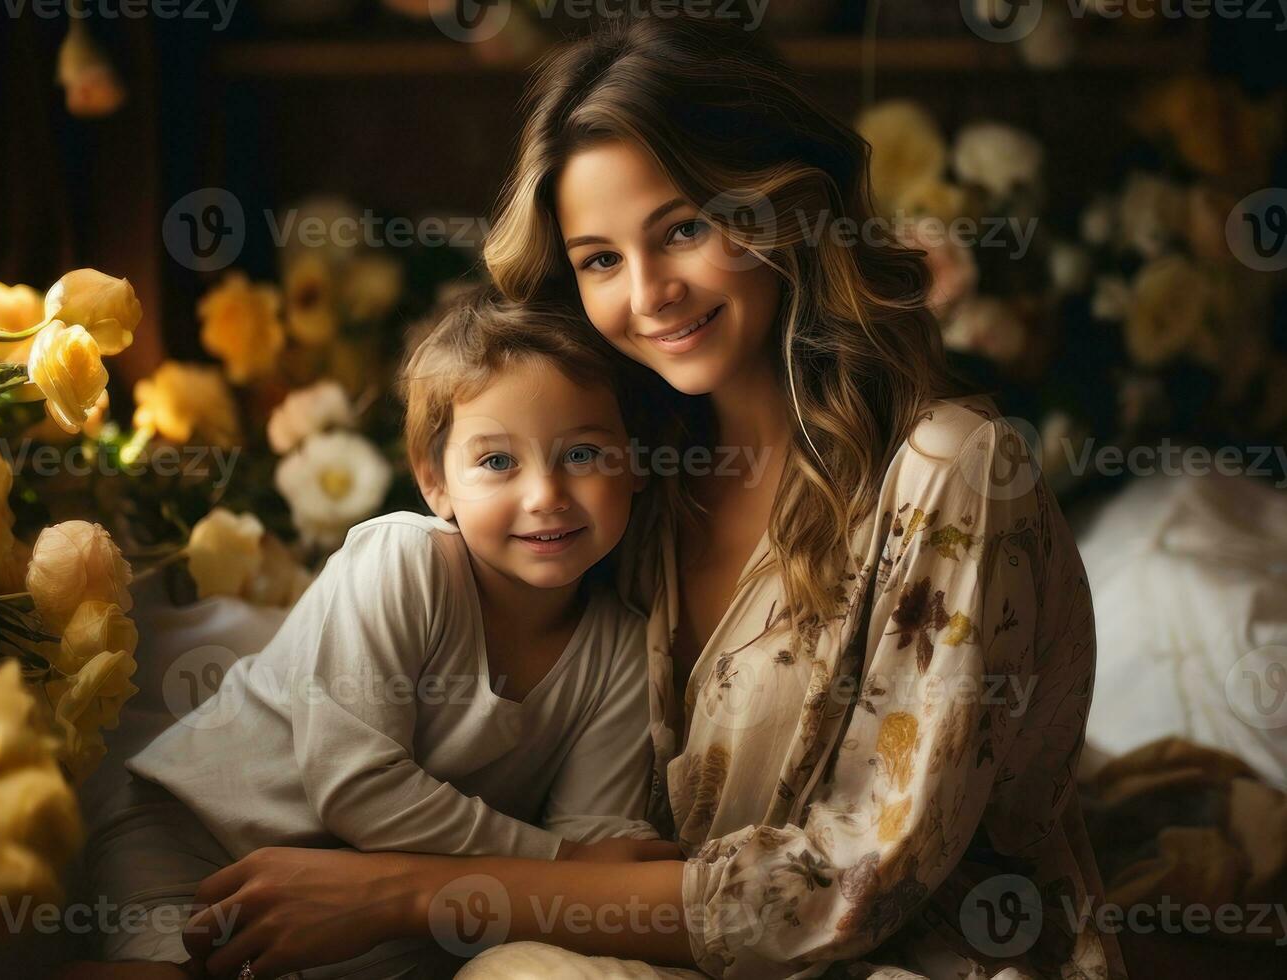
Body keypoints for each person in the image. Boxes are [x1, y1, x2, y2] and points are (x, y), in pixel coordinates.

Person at [175, 17, 1121, 980]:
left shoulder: (949, 469)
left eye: (683, 228)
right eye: (598, 259)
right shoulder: (618, 487)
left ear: (784, 210)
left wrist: (407, 890)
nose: (650, 292)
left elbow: (852, 885)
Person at [88, 286, 678, 977]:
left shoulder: (623, 652)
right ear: (435, 483)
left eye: (582, 455)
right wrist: (560, 862)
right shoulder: (405, 560)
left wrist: (597, 867)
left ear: (635, 464)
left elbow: (593, 846)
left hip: (372, 896)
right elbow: (357, 787)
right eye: (496, 462)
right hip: (203, 843)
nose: (544, 494)